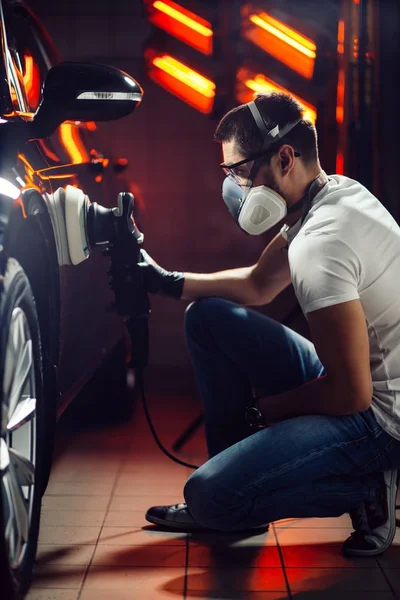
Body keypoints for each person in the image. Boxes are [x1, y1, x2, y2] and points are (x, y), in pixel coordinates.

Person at [132, 92, 400, 556]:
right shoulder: (330, 194)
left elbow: (350, 394)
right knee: (208, 318)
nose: (233, 186)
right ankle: (237, 478)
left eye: (238, 171)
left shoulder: (322, 245)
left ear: (283, 158)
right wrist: (167, 282)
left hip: (381, 419)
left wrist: (262, 412)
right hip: (358, 378)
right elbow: (259, 284)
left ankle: (366, 485)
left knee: (208, 496)